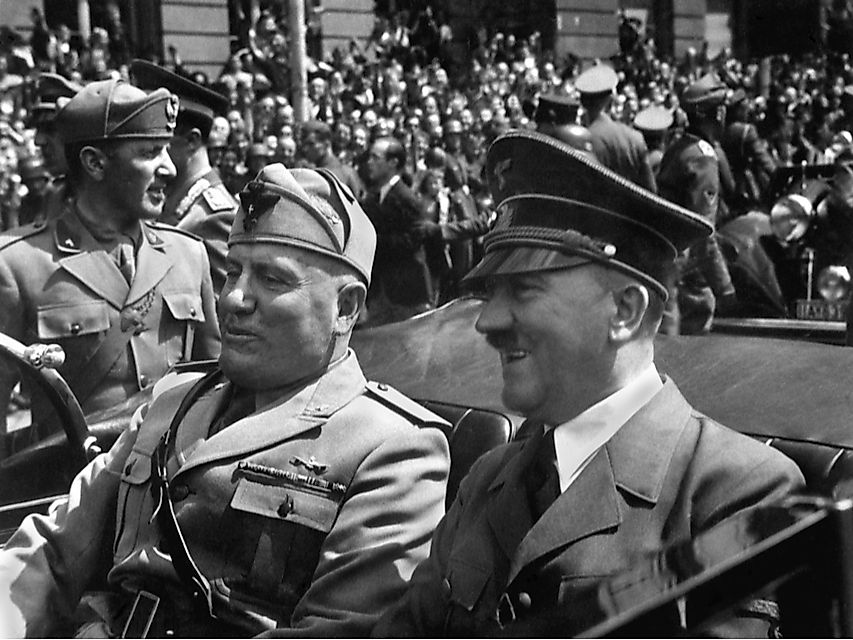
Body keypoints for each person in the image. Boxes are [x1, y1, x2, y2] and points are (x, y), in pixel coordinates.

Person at [374, 130, 804, 637]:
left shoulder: (736, 491)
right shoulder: (491, 476)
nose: (487, 321)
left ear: (624, 310)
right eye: (491, 292)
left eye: (524, 289)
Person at [0, 163, 451, 637]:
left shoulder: (392, 450)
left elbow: (339, 632)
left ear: (346, 308)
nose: (234, 297)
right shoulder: (175, 399)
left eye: (273, 280)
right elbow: (54, 550)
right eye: (233, 271)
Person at [0, 78, 220, 443]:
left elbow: (218, 387)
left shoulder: (188, 255)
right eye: (150, 153)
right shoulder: (18, 266)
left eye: (167, 150)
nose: (169, 168)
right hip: (67, 492)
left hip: (170, 489)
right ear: (95, 163)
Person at [131, 60, 239, 296]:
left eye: (159, 144)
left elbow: (227, 318)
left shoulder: (216, 216)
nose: (152, 155)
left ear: (191, 141)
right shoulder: (173, 199)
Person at [657, 73, 738, 334]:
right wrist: (724, 287)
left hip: (665, 264)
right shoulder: (703, 159)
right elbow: (703, 231)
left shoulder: (679, 148)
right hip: (687, 279)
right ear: (716, 114)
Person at [364, 136, 433, 324]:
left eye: (375, 158)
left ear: (393, 163)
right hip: (383, 293)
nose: (369, 163)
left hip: (407, 295)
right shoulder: (375, 198)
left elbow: (413, 239)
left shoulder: (406, 199)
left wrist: (374, 241)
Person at [576, 64, 657, 192]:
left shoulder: (583, 141)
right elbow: (651, 190)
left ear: (582, 102)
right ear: (611, 99)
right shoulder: (635, 137)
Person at [300, 119, 365, 202]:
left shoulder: (346, 174)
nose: (306, 149)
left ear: (326, 143)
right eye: (304, 145)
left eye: (311, 144)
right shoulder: (309, 173)